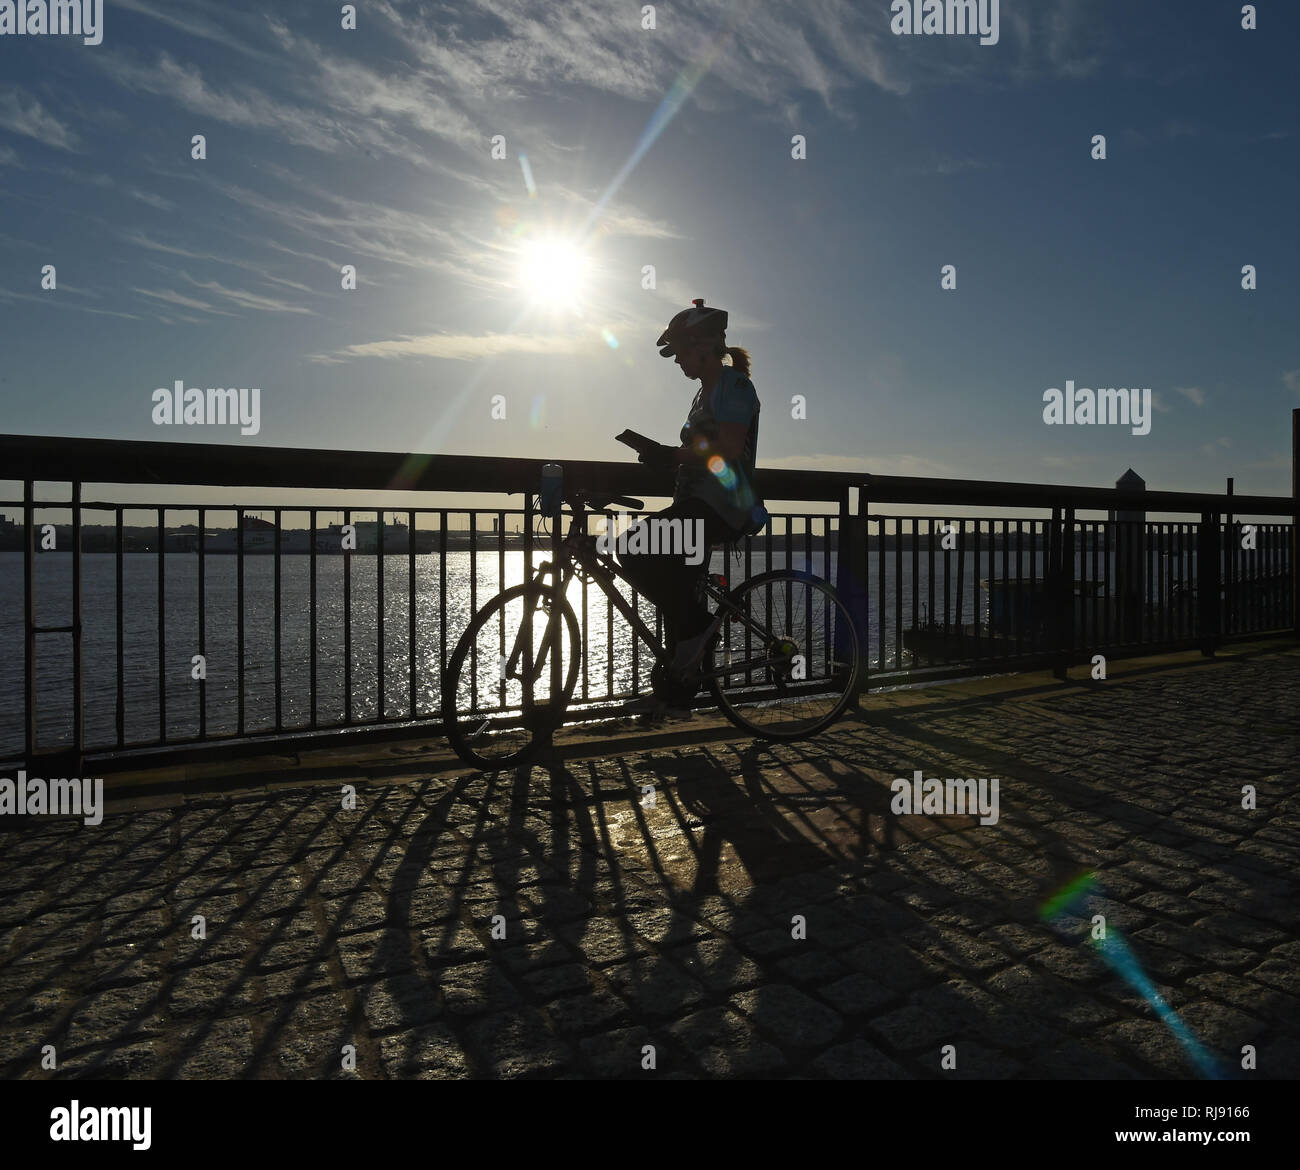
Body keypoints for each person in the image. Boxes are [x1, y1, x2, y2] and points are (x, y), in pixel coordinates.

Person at [619, 299, 766, 717]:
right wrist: (662, 457)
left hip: (722, 506)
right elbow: (695, 452)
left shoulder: (735, 387)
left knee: (631, 546)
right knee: (680, 593)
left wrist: (673, 455)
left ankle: (699, 631)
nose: (678, 361)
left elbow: (730, 448)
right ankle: (678, 693)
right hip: (695, 503)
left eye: (681, 351)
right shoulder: (701, 395)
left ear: (703, 345)